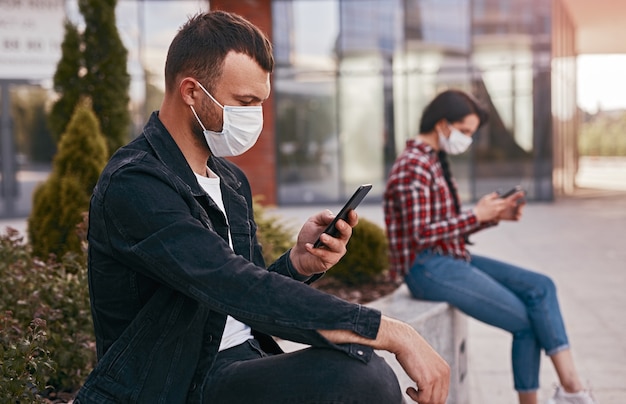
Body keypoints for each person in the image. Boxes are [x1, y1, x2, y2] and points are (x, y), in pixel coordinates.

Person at [74, 11, 450, 404]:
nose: (256, 116)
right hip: (176, 382)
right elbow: (233, 285)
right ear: (191, 91)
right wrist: (390, 330)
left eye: (261, 102)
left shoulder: (232, 182)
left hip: (241, 364)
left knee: (357, 367)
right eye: (245, 101)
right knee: (365, 377)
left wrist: (297, 264)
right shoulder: (135, 183)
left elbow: (241, 291)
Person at [383, 89, 596, 404]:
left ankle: (572, 389)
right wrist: (475, 215)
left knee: (541, 286)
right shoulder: (413, 164)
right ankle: (561, 396)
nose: (467, 139)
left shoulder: (432, 159)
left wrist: (492, 216)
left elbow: (443, 225)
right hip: (426, 267)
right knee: (526, 322)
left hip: (449, 257)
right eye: (465, 131)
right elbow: (420, 234)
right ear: (443, 124)